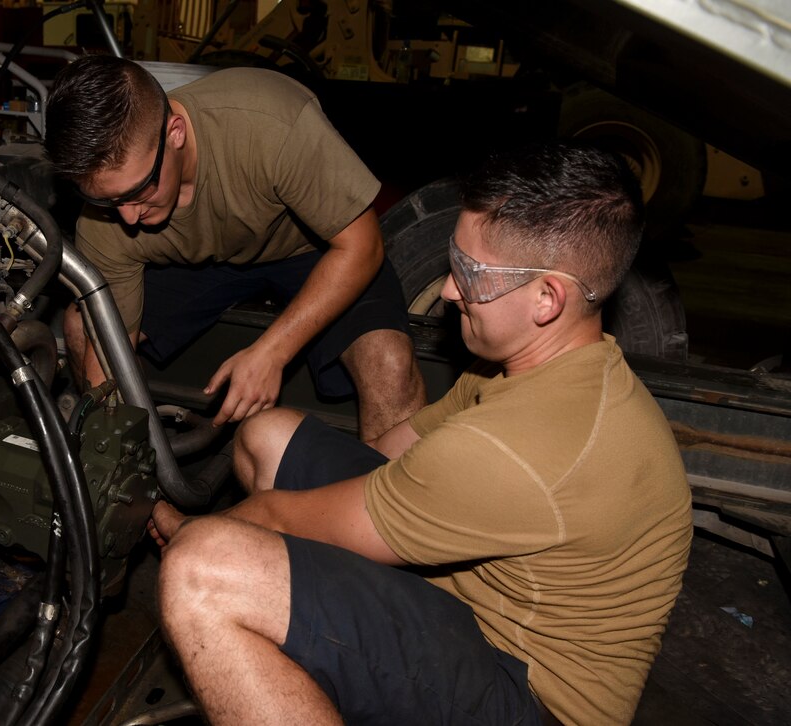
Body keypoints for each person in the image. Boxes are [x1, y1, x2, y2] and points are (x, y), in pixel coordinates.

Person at [149, 142, 694, 724]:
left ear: (547, 298)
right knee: (269, 436)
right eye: (451, 261)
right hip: (476, 607)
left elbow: (280, 518)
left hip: (527, 695)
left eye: (468, 274)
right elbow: (389, 454)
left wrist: (189, 531)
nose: (450, 291)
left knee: (201, 572)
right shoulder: (535, 369)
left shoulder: (512, 446)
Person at [44, 55, 426, 442]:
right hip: (202, 263)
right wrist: (107, 441)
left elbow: (363, 245)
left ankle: (383, 501)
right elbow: (109, 353)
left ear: (174, 133)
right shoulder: (107, 217)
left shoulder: (270, 123)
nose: (127, 218)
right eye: (109, 201)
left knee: (388, 362)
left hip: (310, 248)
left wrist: (271, 351)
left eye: (138, 190)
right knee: (81, 324)